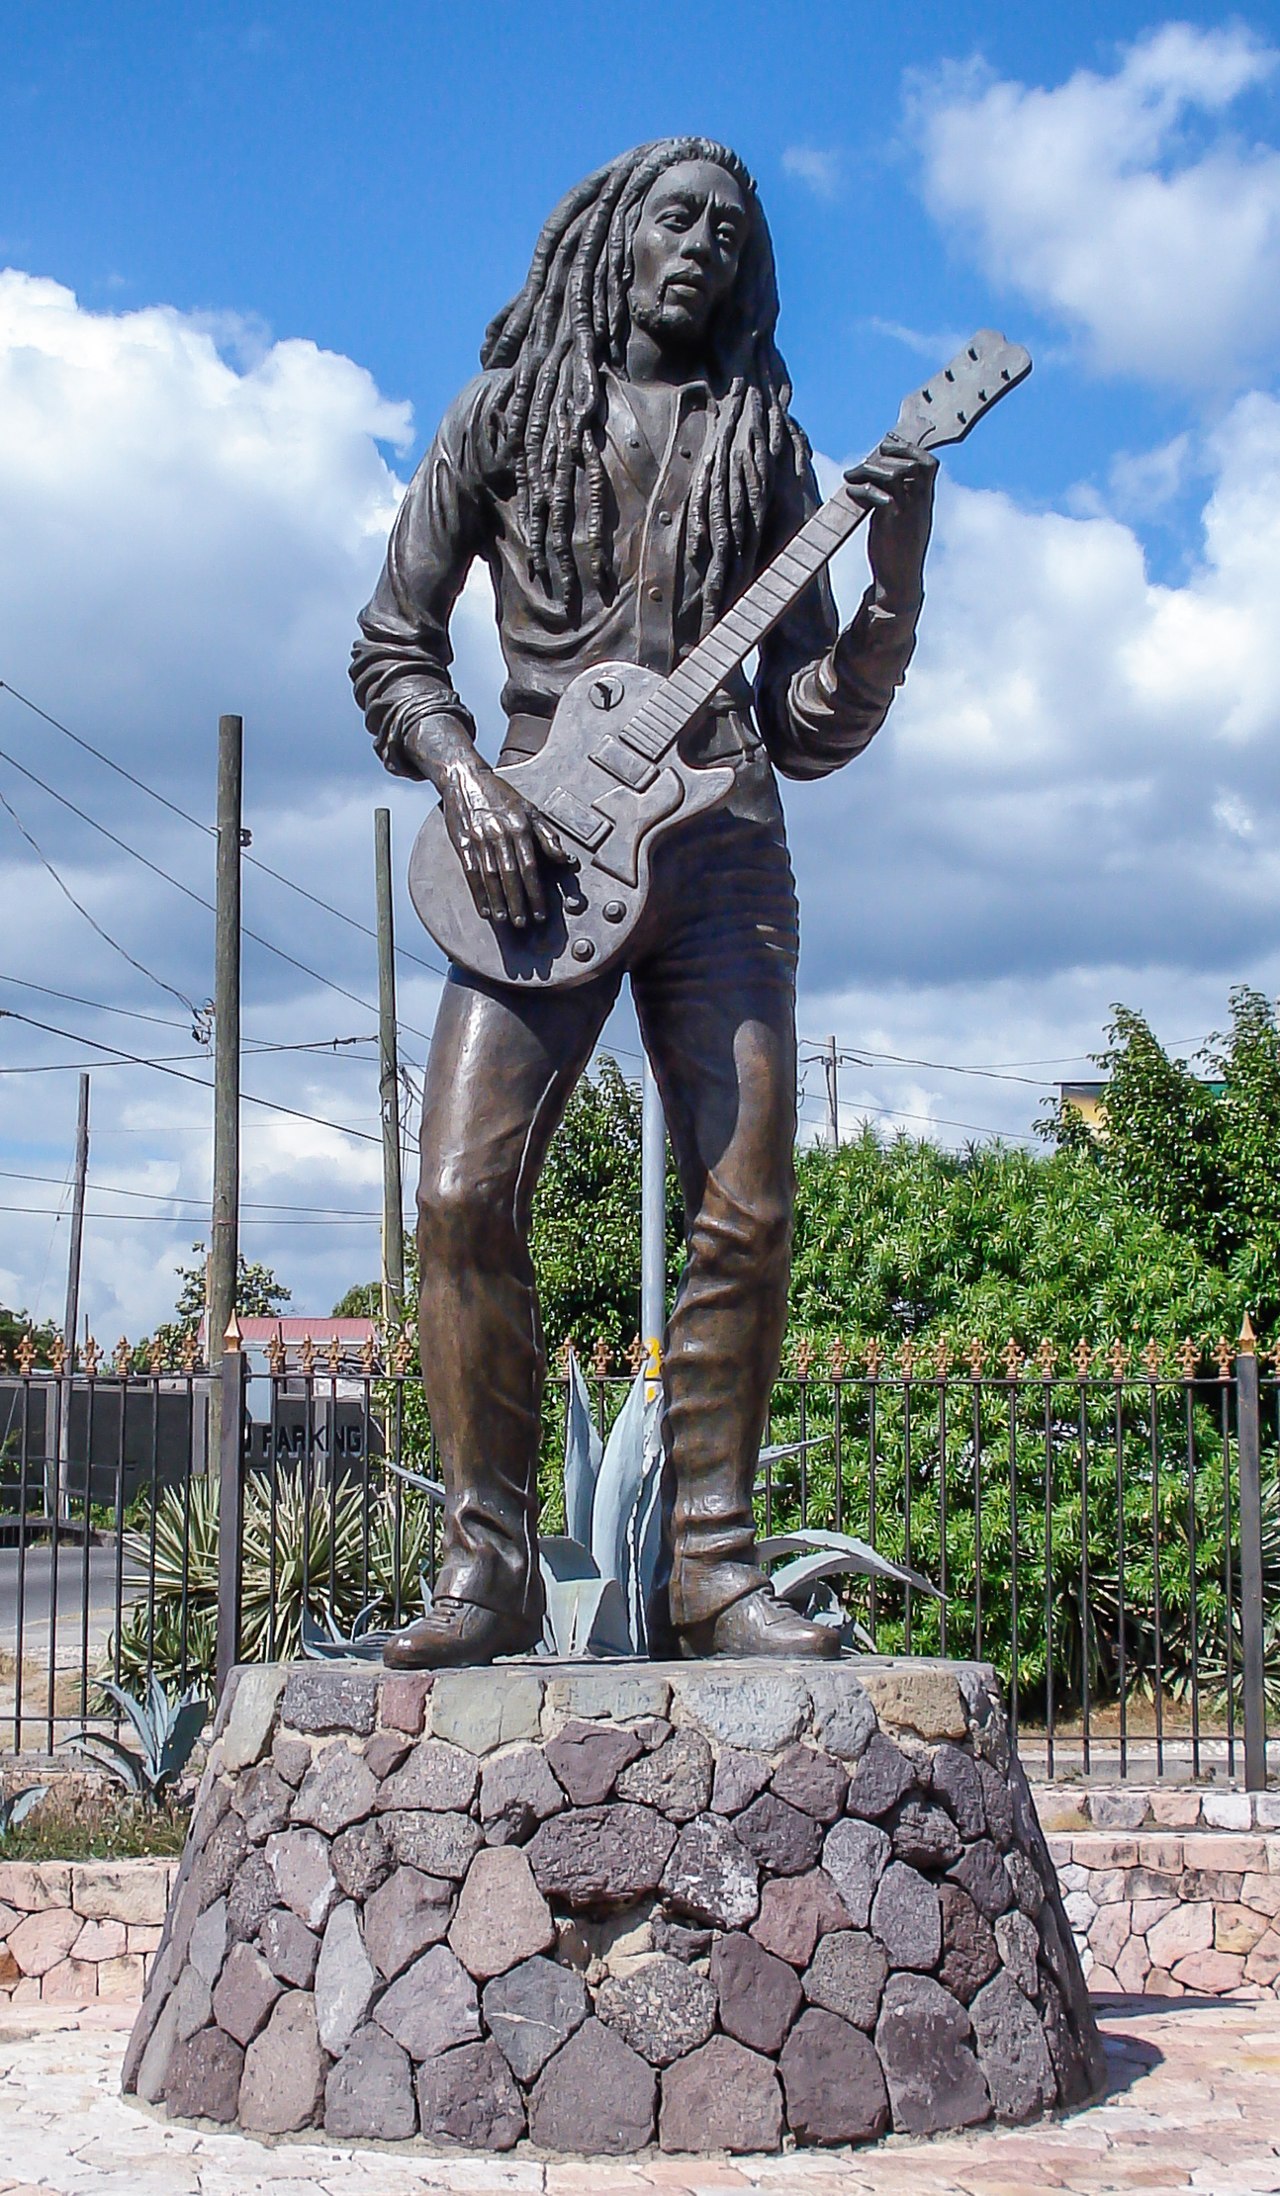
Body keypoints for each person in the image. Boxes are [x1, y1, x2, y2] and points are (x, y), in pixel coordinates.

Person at [351, 137, 936, 1667]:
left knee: (746, 1205)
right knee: (462, 1194)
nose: (703, 247)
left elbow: (808, 727)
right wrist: (467, 780)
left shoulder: (767, 446)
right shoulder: (500, 419)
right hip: (535, 846)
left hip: (725, 838)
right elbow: (392, 646)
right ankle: (485, 1570)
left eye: (731, 233)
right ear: (613, 237)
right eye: (677, 219)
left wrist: (897, 590)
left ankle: (712, 1572)